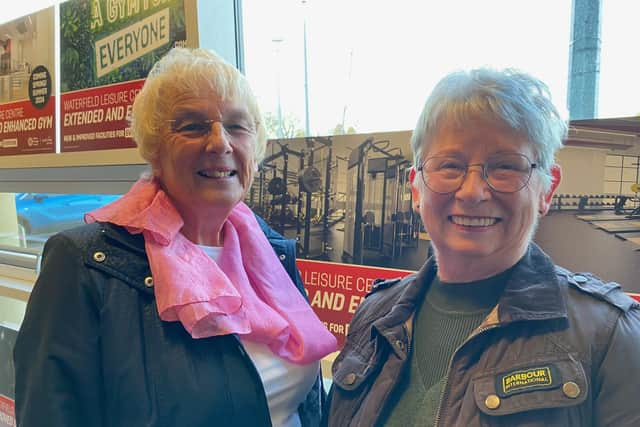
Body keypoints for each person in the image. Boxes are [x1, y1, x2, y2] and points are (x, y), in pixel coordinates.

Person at [14, 47, 337, 427]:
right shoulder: (83, 266)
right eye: (192, 126)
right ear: (155, 148)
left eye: (236, 126)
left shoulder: (273, 255)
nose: (220, 143)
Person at [325, 68, 640, 426]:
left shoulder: (609, 338)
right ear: (416, 188)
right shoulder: (375, 317)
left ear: (547, 189)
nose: (473, 192)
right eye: (449, 166)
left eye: (505, 166)